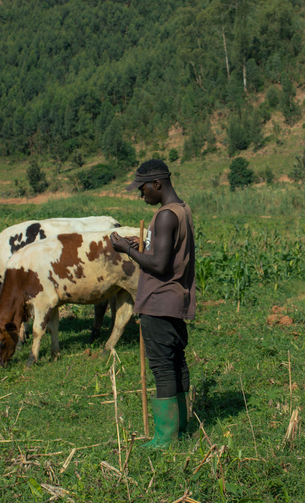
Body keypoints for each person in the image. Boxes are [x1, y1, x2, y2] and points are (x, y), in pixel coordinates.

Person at [110, 159, 196, 449]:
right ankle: (181, 428)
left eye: (142, 188)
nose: (140, 194)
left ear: (157, 184)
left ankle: (165, 437)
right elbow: (165, 254)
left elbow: (159, 265)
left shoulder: (164, 217)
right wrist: (142, 248)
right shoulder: (181, 210)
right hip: (175, 300)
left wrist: (126, 251)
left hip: (159, 302)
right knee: (176, 363)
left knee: (162, 368)